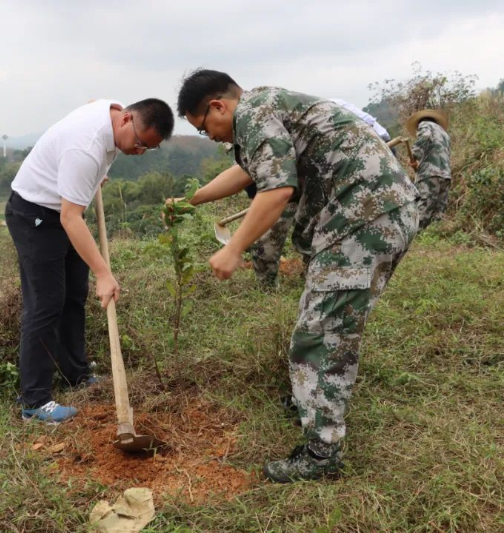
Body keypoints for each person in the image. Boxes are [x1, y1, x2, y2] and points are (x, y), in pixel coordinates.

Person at [169, 69, 418, 482]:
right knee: (320, 319)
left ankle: (322, 455)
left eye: (204, 127)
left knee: (321, 332)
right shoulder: (264, 107)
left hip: (365, 218)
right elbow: (248, 173)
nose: (209, 137)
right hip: (372, 213)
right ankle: (313, 399)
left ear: (218, 106)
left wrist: (233, 248)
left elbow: (277, 190)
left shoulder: (253, 114)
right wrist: (192, 200)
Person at [6, 98, 174, 424]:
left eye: (147, 149)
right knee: (46, 304)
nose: (138, 151)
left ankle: (76, 374)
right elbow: (71, 218)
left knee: (73, 296)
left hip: (64, 209)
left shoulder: (111, 116)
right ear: (126, 119)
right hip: (37, 216)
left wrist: (90, 179)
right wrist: (104, 273)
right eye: (139, 143)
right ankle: (35, 400)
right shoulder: (85, 148)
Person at [245, 98, 392, 288]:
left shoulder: (293, 125)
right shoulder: (309, 115)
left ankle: (315, 277)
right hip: (351, 160)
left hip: (355, 165)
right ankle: (307, 275)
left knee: (313, 227)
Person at [406, 109, 451, 230]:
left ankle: (416, 236)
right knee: (439, 211)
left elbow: (425, 136)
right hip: (445, 175)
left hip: (430, 173)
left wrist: (414, 155)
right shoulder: (444, 133)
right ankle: (436, 235)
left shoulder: (424, 125)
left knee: (424, 207)